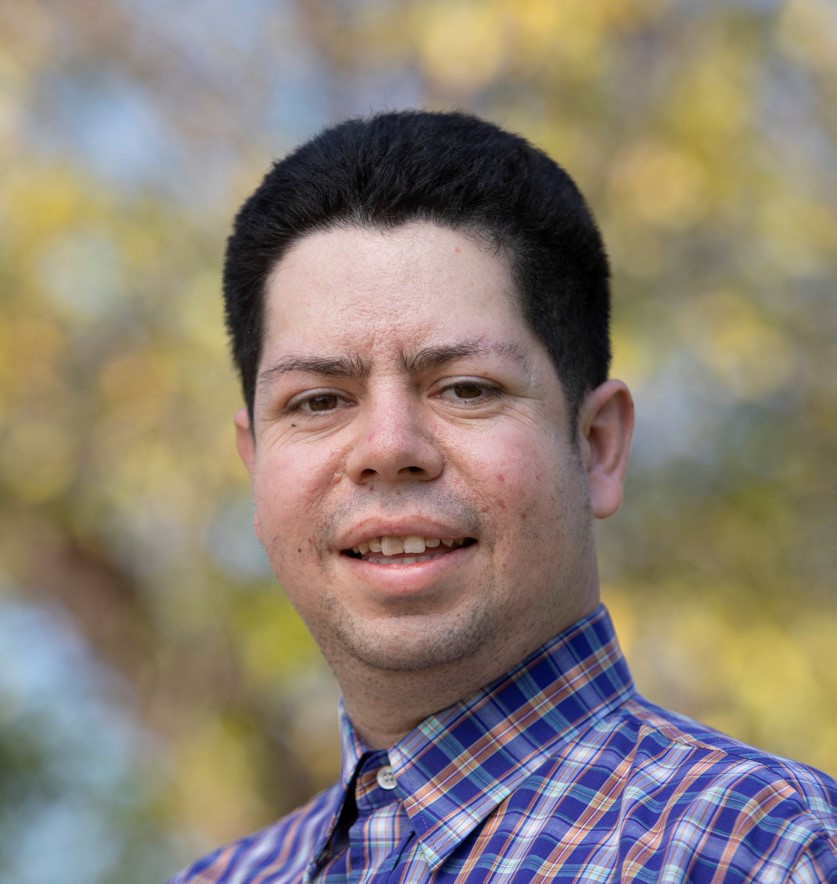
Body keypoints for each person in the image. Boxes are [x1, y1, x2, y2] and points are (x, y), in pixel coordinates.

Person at [169, 110, 837, 882]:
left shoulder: (768, 852)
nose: (388, 449)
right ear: (254, 465)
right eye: (319, 401)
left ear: (596, 446)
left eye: (464, 388)